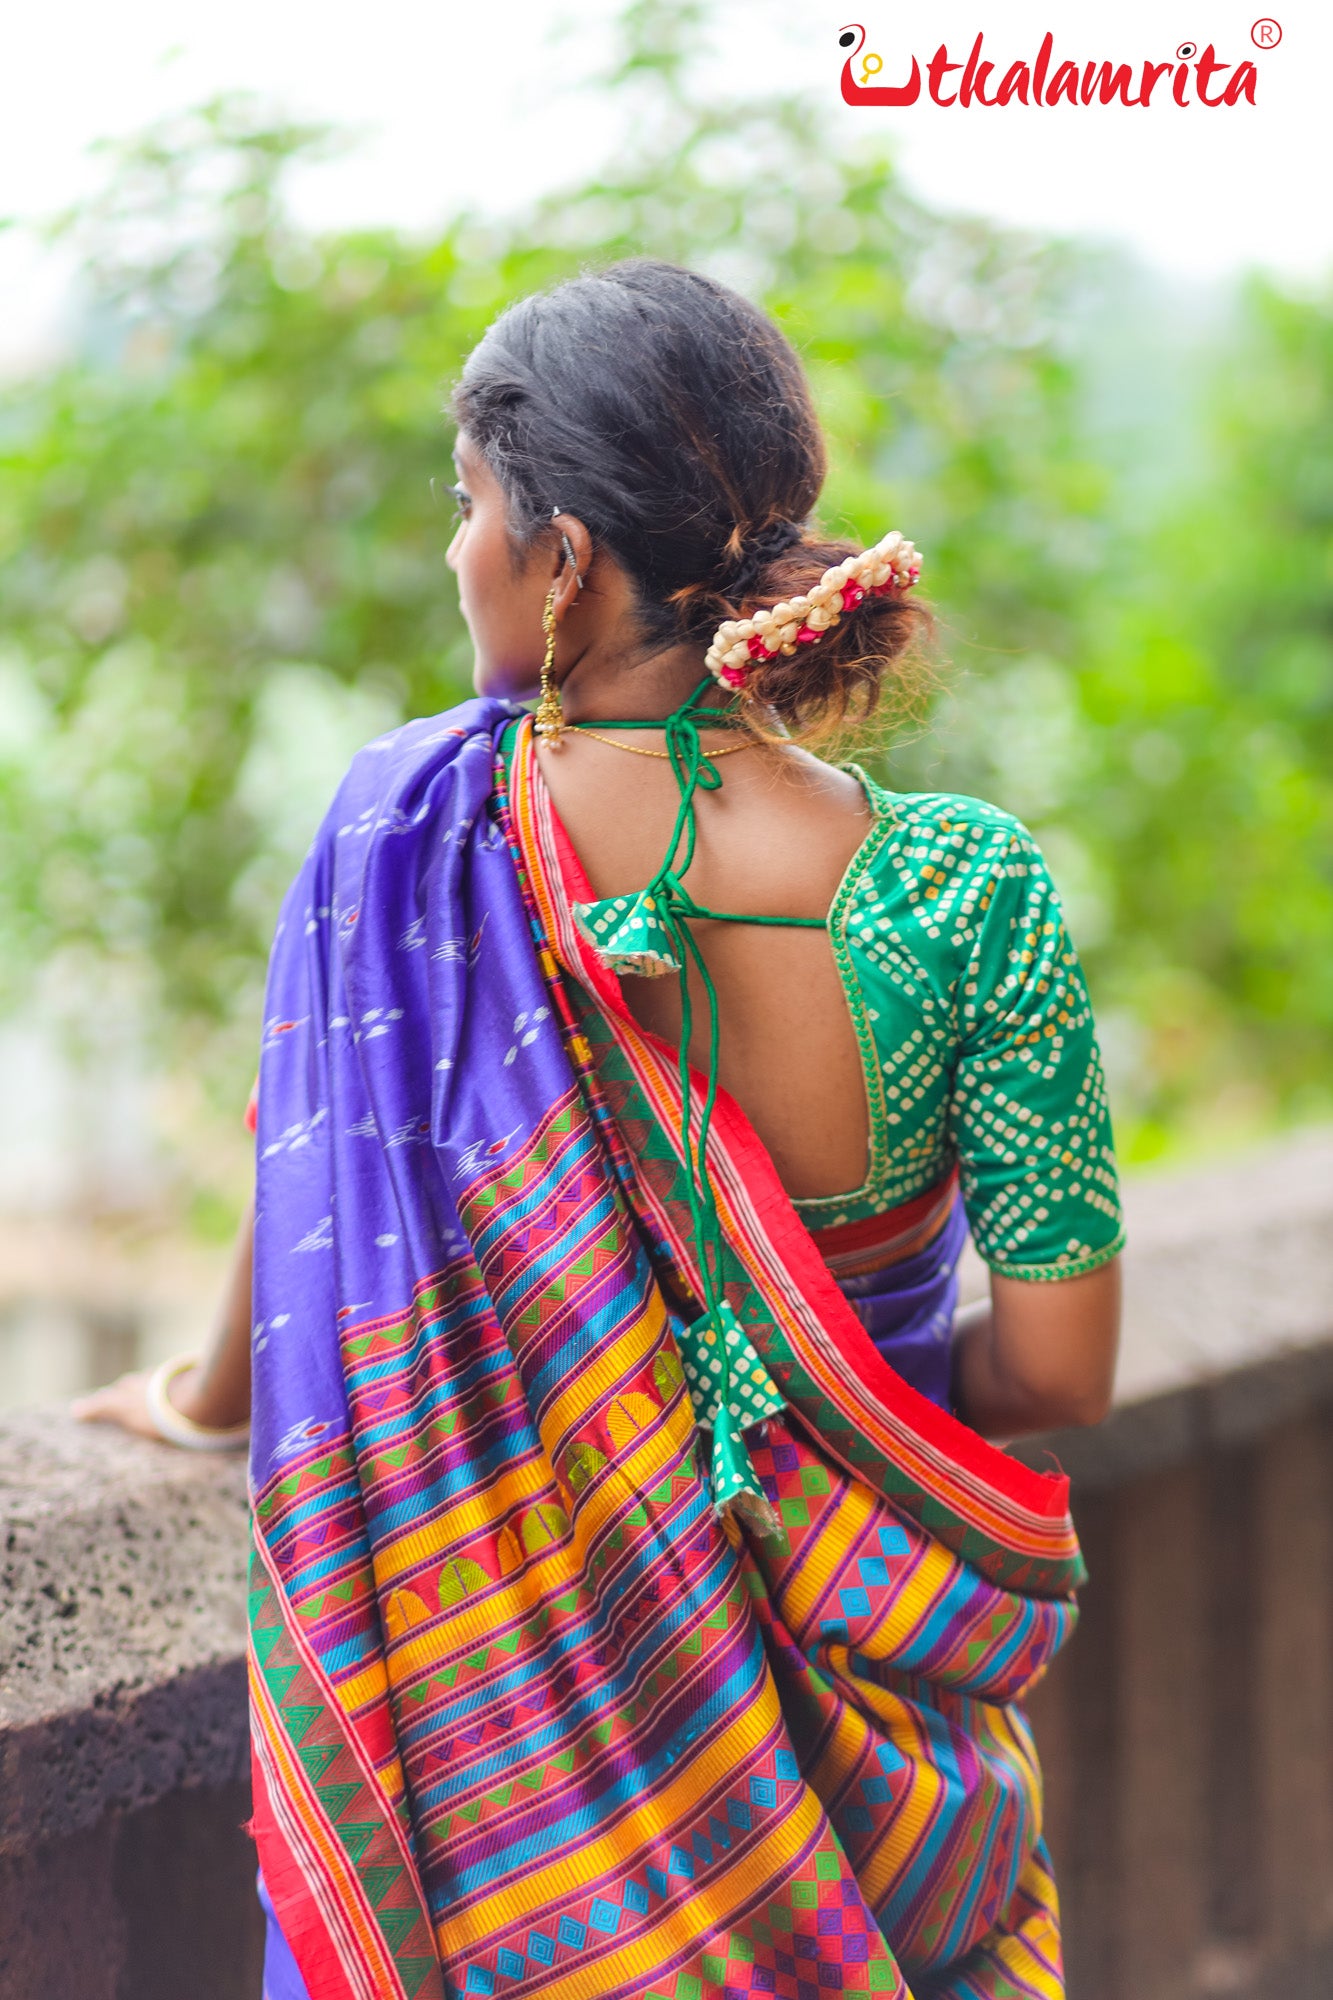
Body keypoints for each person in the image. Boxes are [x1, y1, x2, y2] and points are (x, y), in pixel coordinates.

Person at [79, 260, 1121, 2000]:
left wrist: (202, 1403)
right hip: (875, 1777)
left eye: (469, 505)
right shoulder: (965, 889)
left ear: (563, 559)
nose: (453, 552)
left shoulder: (402, 834)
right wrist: (827, 1421)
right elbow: (1057, 1371)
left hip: (522, 1796)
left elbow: (308, 1208)